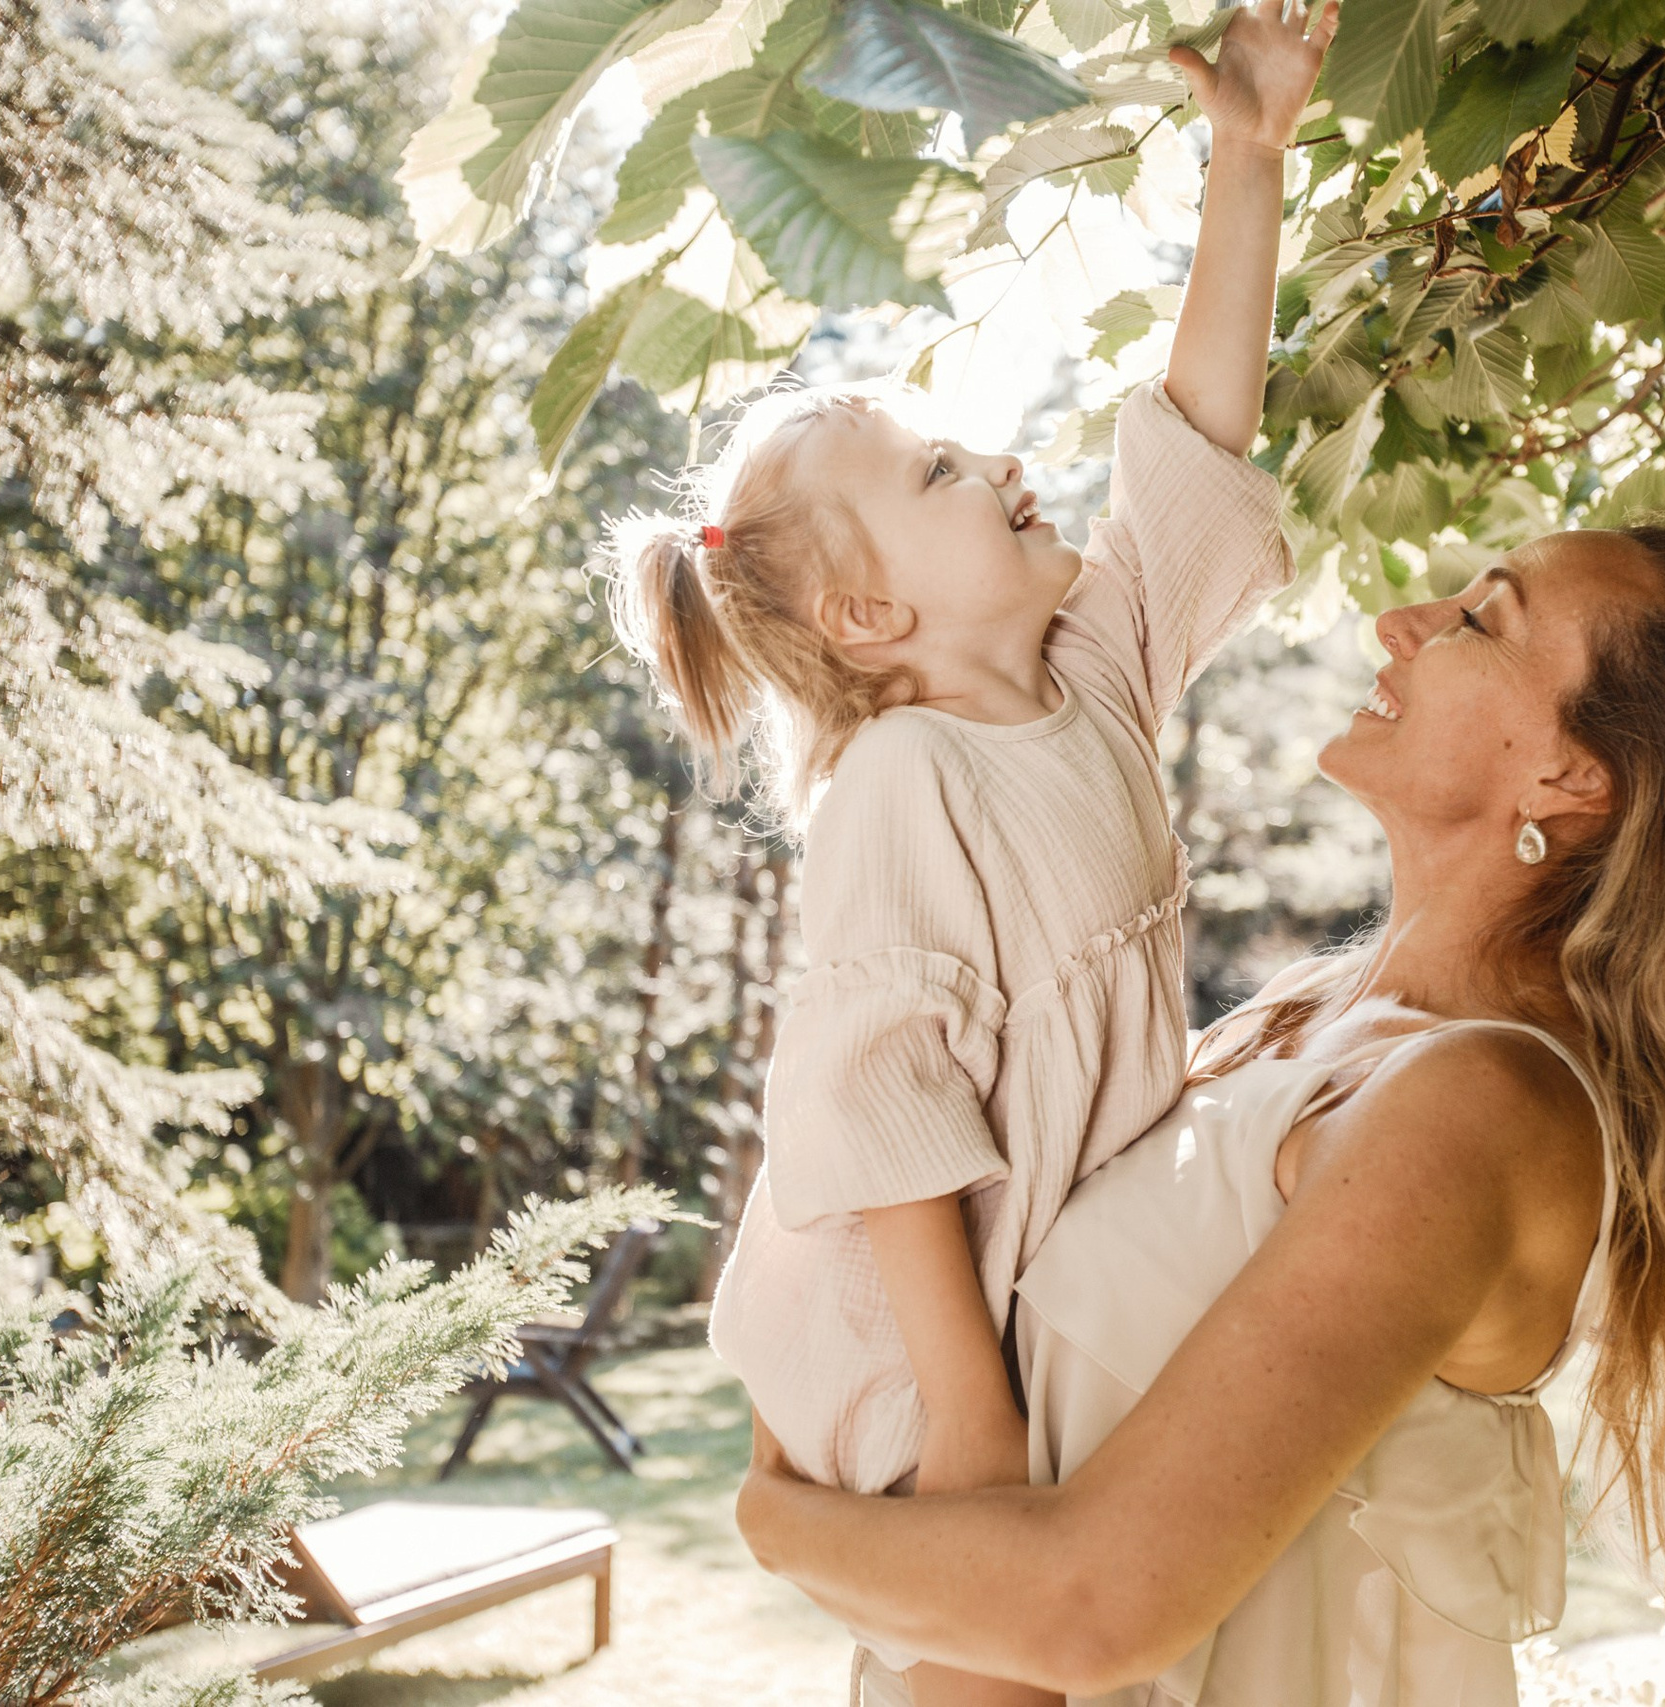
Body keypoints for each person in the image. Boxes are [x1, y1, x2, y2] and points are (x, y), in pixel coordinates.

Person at [734, 526, 1665, 1705]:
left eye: (1481, 620)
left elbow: (1095, 1604)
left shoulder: (1480, 1105)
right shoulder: (1298, 1021)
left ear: (1568, 775)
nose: (1400, 623)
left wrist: (776, 1517)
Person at [598, 6, 1338, 1700]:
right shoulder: (904, 780)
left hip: (1034, 1302)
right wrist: (967, 1413)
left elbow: (1196, 443)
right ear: (872, 618)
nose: (1005, 462)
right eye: (942, 470)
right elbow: (881, 1108)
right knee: (979, 1670)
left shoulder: (1092, 674)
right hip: (917, 1342)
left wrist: (1248, 157)